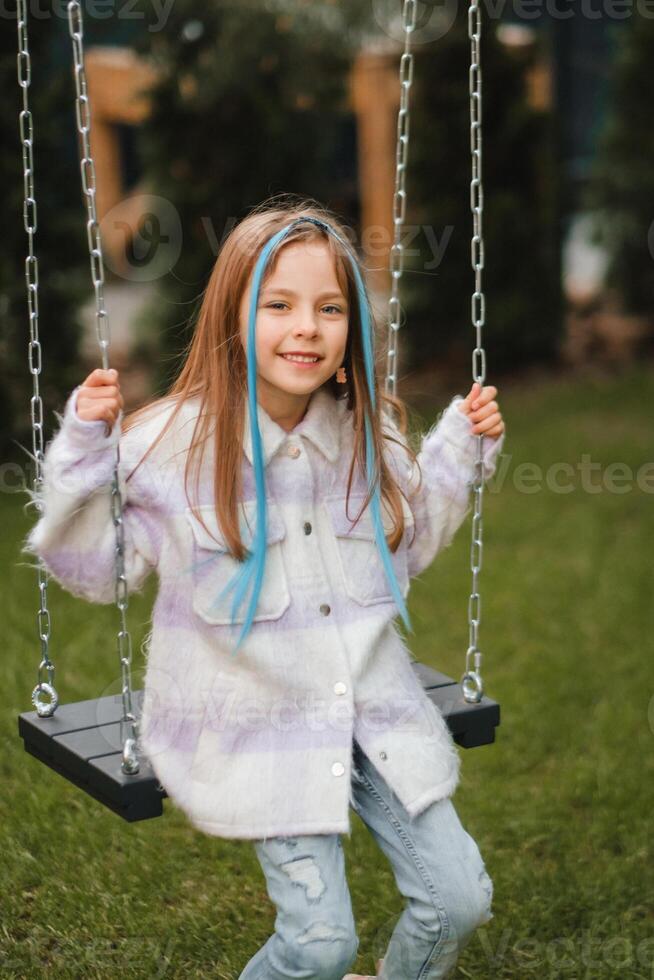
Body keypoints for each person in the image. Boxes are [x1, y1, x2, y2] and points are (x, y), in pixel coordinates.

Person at [21, 196, 505, 979]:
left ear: (353, 328)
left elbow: (404, 547)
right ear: (232, 317)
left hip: (370, 706)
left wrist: (458, 449)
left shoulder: (366, 435)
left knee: (459, 901)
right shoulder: (170, 447)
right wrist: (82, 447)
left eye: (328, 308)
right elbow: (93, 571)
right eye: (277, 304)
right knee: (320, 945)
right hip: (254, 721)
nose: (305, 327)